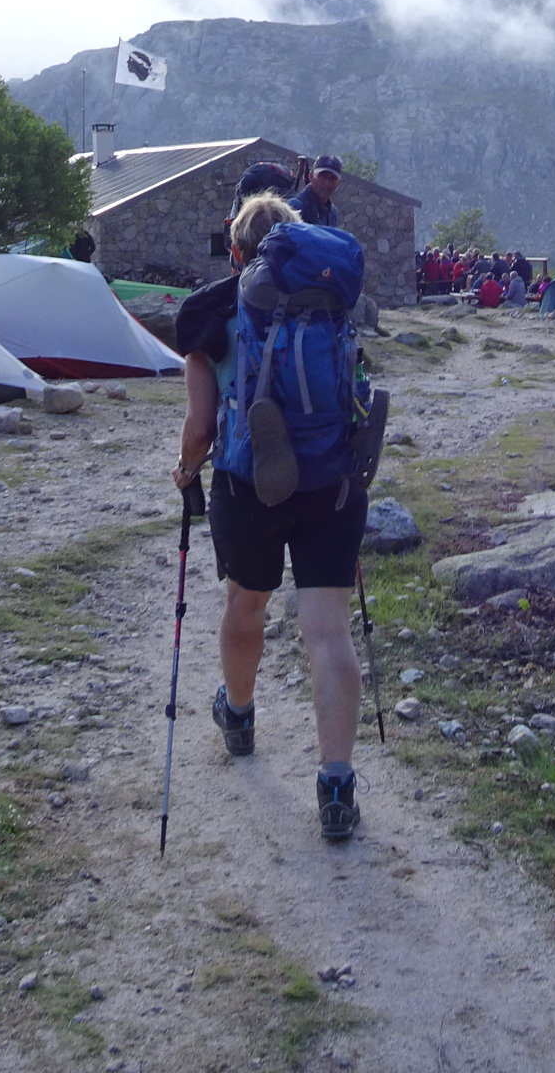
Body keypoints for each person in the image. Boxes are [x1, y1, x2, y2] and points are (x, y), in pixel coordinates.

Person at [170, 181, 369, 844]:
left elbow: (201, 426)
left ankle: (238, 713)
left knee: (246, 605)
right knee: (328, 631)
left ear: (236, 250)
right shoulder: (331, 299)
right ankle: (336, 783)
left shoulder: (207, 312)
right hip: (331, 481)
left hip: (248, 481)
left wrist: (186, 472)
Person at [292, 155, 343, 227]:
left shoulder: (332, 212)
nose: (327, 183)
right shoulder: (295, 206)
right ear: (311, 176)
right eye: (323, 176)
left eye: (333, 178)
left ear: (338, 183)